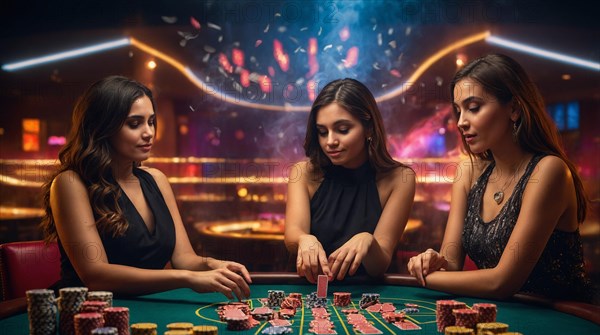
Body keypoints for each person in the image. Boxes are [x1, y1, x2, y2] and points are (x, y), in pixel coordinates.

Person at [41, 75, 252, 300]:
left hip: (147, 306)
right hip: (87, 314)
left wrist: (212, 264)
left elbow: (183, 258)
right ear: (103, 127)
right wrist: (186, 278)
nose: (149, 132)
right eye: (134, 123)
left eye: (151, 121)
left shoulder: (157, 180)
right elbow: (95, 276)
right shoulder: (71, 183)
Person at [408, 53, 594, 302]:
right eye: (458, 110)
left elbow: (502, 282)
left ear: (514, 108)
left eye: (474, 108)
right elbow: (451, 263)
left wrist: (424, 278)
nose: (461, 122)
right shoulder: (468, 172)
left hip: (563, 319)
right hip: (500, 315)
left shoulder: (549, 171)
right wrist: (431, 261)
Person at [284, 78, 416, 284]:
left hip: (369, 295)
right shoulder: (303, 173)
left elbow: (379, 264)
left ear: (369, 129)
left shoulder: (400, 178)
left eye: (343, 130)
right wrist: (304, 239)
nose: (330, 141)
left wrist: (368, 240)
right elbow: (293, 233)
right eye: (322, 132)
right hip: (311, 291)